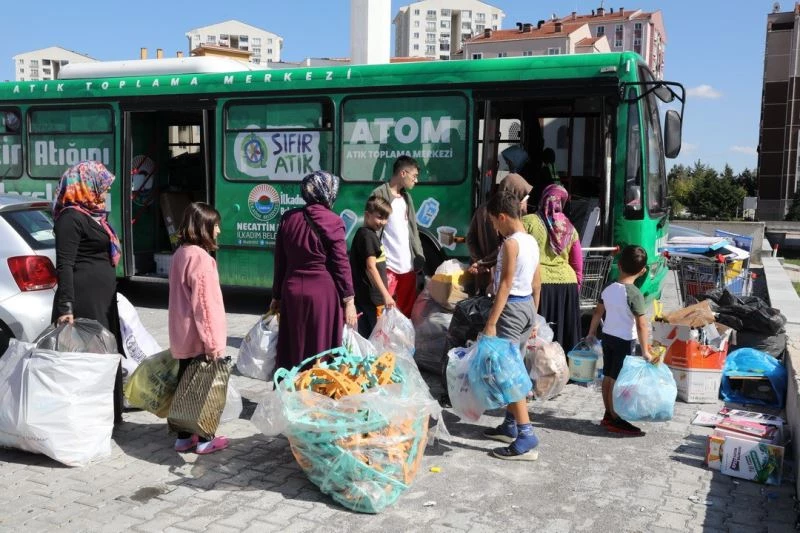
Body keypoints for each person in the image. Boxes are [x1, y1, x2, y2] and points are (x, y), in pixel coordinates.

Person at [52, 160, 125, 425]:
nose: (106, 191)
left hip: (102, 301)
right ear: (85, 185)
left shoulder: (93, 216)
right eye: (102, 186)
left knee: (106, 352)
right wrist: (66, 307)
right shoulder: (70, 218)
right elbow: (65, 265)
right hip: (83, 302)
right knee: (90, 358)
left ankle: (109, 414)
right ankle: (91, 419)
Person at [270, 171, 357, 370]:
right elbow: (341, 263)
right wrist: (349, 300)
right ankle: (316, 385)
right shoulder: (333, 221)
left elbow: (280, 261)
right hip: (322, 295)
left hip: (292, 291)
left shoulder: (288, 218)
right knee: (320, 347)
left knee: (294, 346)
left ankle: (291, 384)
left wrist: (276, 296)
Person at [481, 189, 542, 461]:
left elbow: (505, 285)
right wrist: (534, 316)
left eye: (494, 221)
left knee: (509, 373)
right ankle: (509, 424)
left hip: (512, 309)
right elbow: (537, 283)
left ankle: (526, 434)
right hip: (527, 306)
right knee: (515, 365)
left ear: (503, 217)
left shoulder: (510, 244)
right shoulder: (531, 241)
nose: (495, 227)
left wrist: (491, 323)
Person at [168, 202, 229, 454]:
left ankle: (183, 438)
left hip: (182, 336)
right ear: (204, 227)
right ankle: (205, 440)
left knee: (185, 389)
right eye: (215, 226)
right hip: (199, 338)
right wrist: (213, 344)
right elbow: (205, 305)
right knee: (205, 391)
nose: (218, 231)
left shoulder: (180, 253)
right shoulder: (201, 259)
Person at [587, 245, 655, 436]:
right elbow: (642, 325)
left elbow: (597, 312)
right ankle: (615, 417)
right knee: (617, 380)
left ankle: (608, 413)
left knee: (608, 376)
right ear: (642, 271)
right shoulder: (634, 294)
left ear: (619, 265)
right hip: (625, 341)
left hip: (607, 337)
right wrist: (645, 351)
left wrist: (591, 333)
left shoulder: (608, 287)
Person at [522, 183, 583, 352]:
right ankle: (562, 364)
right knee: (564, 333)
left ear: (543, 199)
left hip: (540, 285)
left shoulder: (529, 222)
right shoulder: (570, 228)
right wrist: (576, 286)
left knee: (540, 334)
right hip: (567, 286)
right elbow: (577, 262)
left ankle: (539, 365)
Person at [371, 156, 425, 317]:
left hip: (407, 267)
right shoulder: (380, 194)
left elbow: (413, 230)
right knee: (384, 312)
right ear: (403, 173)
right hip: (388, 266)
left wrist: (418, 255)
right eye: (414, 176)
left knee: (406, 313)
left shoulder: (406, 198)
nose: (416, 180)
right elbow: (372, 230)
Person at [466, 173, 532, 294]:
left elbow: (470, 238)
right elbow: (504, 246)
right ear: (513, 195)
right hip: (499, 276)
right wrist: (483, 263)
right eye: (524, 198)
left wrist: (478, 260)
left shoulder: (482, 209)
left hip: (483, 275)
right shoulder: (508, 217)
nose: (525, 203)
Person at [350, 196, 396, 338]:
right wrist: (386, 295)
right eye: (379, 217)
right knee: (376, 338)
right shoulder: (368, 236)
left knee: (367, 336)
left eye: (386, 218)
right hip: (373, 299)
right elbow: (371, 267)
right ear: (367, 215)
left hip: (364, 297)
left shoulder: (362, 234)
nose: (383, 222)